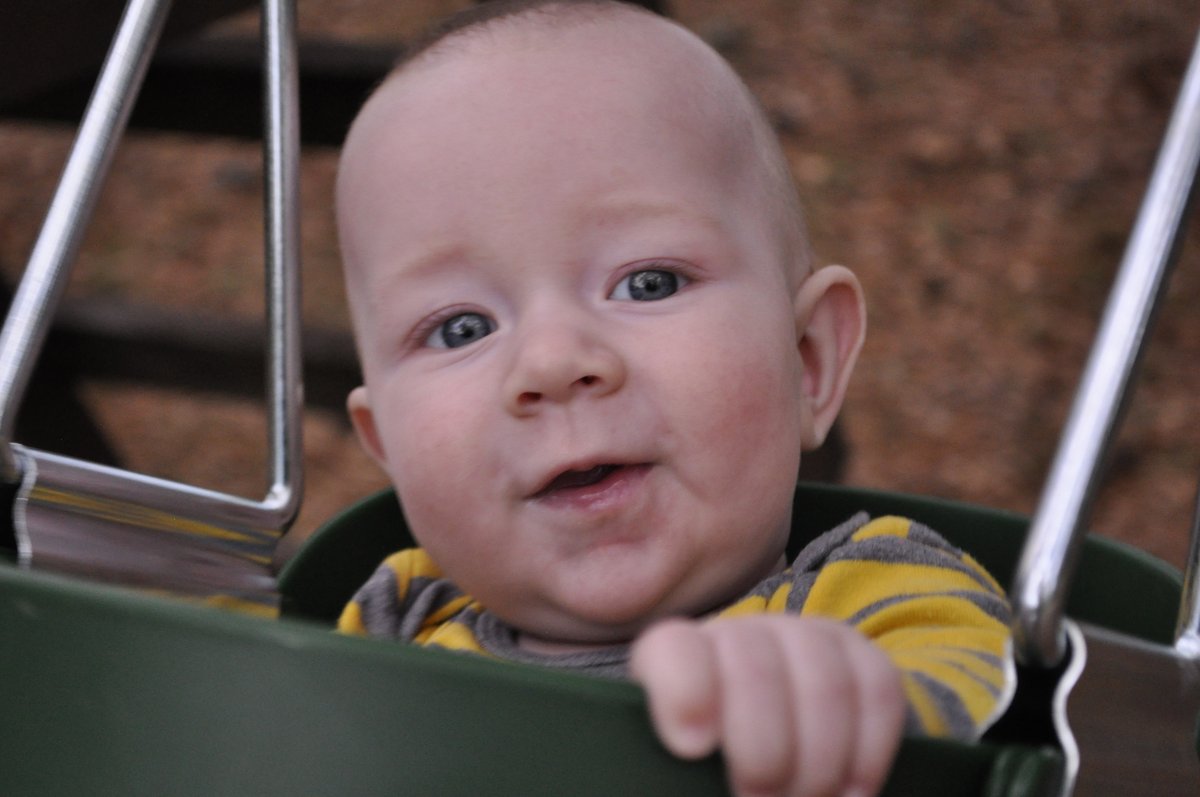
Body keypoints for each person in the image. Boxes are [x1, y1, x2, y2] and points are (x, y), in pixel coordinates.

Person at [334, 2, 1014, 795]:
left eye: (647, 283)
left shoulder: (876, 596)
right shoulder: (396, 620)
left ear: (809, 361)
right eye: (458, 329)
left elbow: (952, 732)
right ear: (388, 448)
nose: (552, 364)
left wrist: (833, 710)